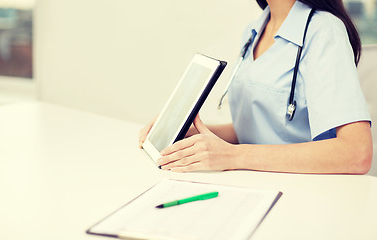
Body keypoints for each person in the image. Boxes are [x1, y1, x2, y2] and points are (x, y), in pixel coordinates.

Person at [139, 0, 373, 174]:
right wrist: (192, 135)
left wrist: (232, 156)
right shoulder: (255, 28)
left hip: (304, 192)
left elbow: (356, 152)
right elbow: (261, 126)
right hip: (254, 182)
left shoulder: (324, 31)